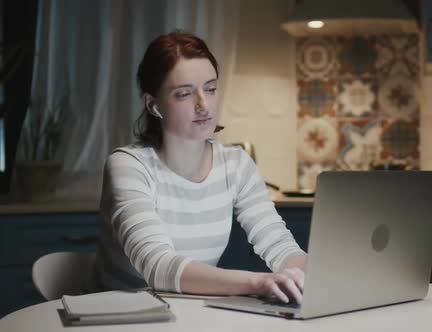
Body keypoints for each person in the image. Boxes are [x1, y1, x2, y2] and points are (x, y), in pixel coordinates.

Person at [93, 31, 306, 304]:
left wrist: (318, 275)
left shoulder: (236, 165)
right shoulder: (128, 165)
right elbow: (158, 266)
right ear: (154, 104)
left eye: (211, 88)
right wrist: (258, 282)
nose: (203, 105)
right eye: (184, 94)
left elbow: (279, 245)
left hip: (188, 314)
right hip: (116, 317)